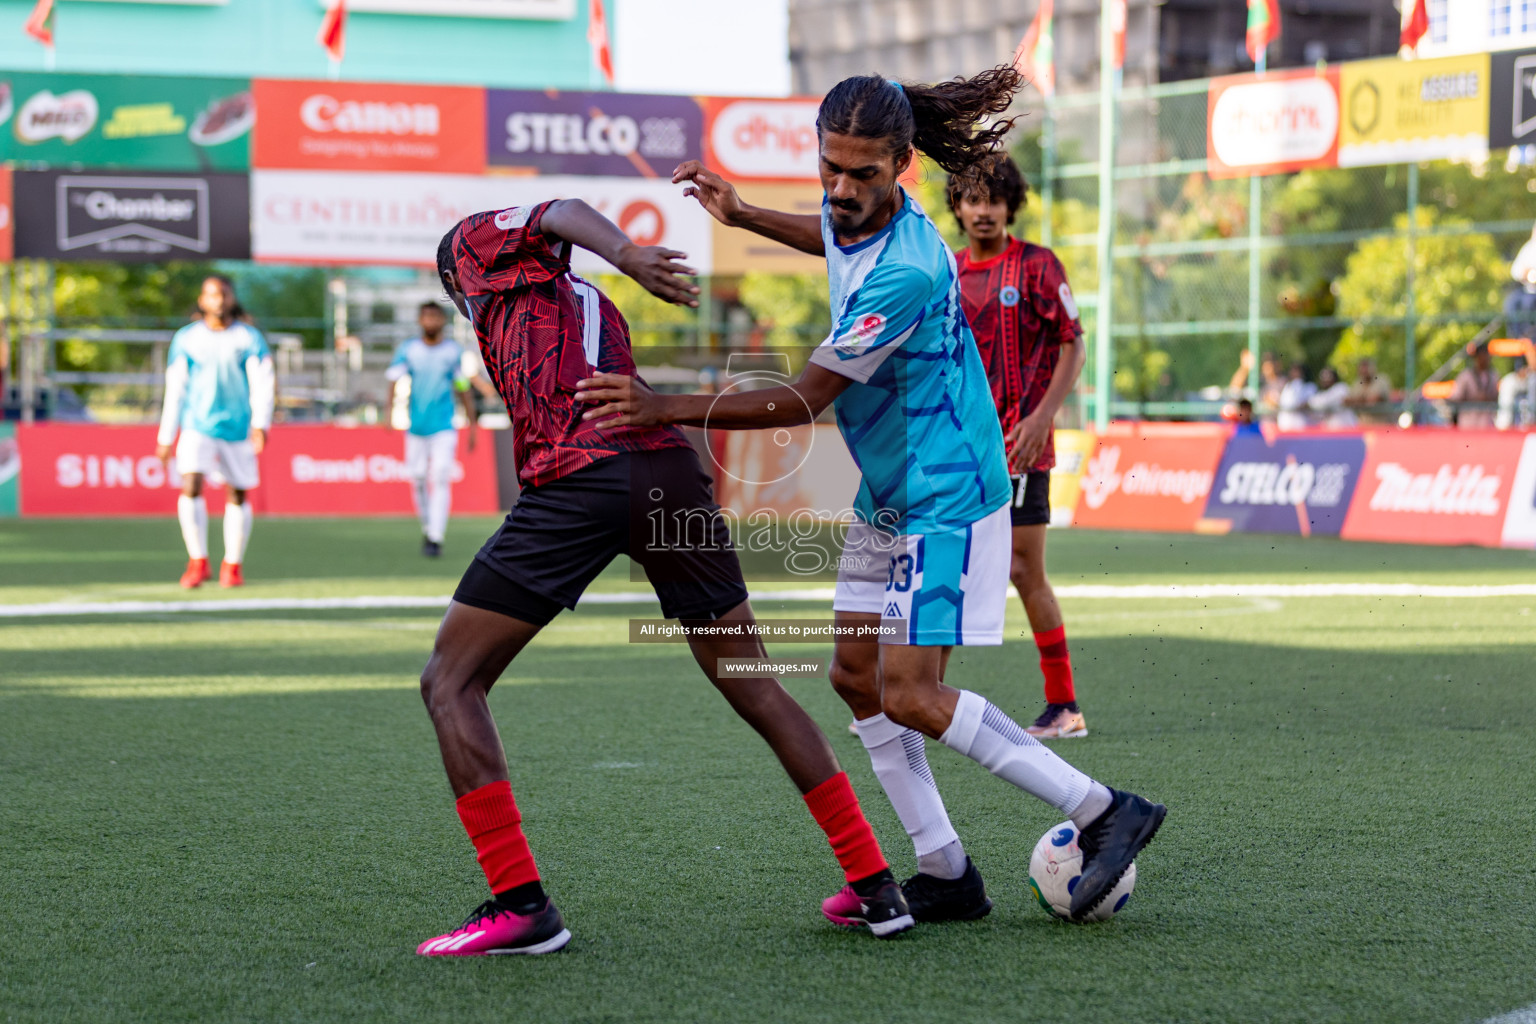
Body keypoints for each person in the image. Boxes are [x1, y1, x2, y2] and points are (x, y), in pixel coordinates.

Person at [582, 67, 1166, 924]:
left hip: (948, 493)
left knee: (912, 694)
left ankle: (1103, 809)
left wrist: (661, 404)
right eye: (831, 168)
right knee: (856, 679)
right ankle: (947, 872)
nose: (842, 190)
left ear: (902, 166)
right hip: (889, 493)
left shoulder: (909, 271)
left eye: (863, 174)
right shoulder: (856, 212)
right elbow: (830, 231)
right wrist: (744, 214)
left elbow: (802, 400)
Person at [415, 197, 913, 957]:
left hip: (584, 479)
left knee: (450, 681)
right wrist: (624, 264)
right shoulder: (587, 304)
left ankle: (519, 905)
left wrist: (628, 250)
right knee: (756, 681)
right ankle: (876, 885)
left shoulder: (472, 250)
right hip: (668, 476)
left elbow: (558, 209)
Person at [945, 154, 1089, 740]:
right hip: (958, 449)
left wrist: (1042, 418)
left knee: (1024, 569)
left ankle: (1064, 706)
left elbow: (1072, 344)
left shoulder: (1037, 266)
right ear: (957, 206)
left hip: (1021, 446)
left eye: (995, 199)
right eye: (973, 199)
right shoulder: (947, 271)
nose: (984, 210)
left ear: (1011, 205)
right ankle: (912, 694)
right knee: (945, 564)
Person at [155, 274, 273, 589]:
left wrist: (262, 422)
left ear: (231, 298)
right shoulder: (186, 338)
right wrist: (166, 436)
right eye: (211, 294)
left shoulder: (249, 338)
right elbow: (175, 388)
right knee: (190, 483)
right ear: (202, 300)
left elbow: (263, 382)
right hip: (197, 425)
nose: (217, 300)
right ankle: (198, 561)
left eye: (222, 293)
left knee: (237, 492)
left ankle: (232, 565)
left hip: (236, 428)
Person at [386, 301, 478, 557]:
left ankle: (436, 536)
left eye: (435, 316)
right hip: (416, 427)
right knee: (416, 479)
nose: (430, 321)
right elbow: (393, 378)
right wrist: (387, 412)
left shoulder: (452, 352)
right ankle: (428, 527)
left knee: (439, 477)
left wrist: (472, 425)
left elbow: (463, 388)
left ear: (443, 321)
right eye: (426, 316)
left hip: (443, 427)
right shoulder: (409, 349)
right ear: (419, 320)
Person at [1450, 344, 1499, 430]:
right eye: (1482, 356)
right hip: (1468, 422)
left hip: (1487, 423)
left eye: (1486, 356)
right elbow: (1456, 397)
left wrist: (1487, 399)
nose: (1484, 359)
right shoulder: (1465, 376)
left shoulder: (1494, 375)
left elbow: (1497, 397)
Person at [1344, 357, 1392, 424]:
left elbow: (1375, 399)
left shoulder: (1381, 380)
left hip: (1381, 424)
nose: (1364, 370)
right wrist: (1363, 400)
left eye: (1366, 367)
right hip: (1363, 425)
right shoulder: (1357, 383)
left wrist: (1357, 400)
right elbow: (1346, 401)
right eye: (1362, 367)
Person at [1276, 362, 1315, 432]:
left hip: (1301, 424)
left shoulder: (1310, 386)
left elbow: (1308, 402)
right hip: (1286, 424)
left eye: (1297, 371)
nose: (1294, 373)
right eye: (1293, 371)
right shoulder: (1288, 386)